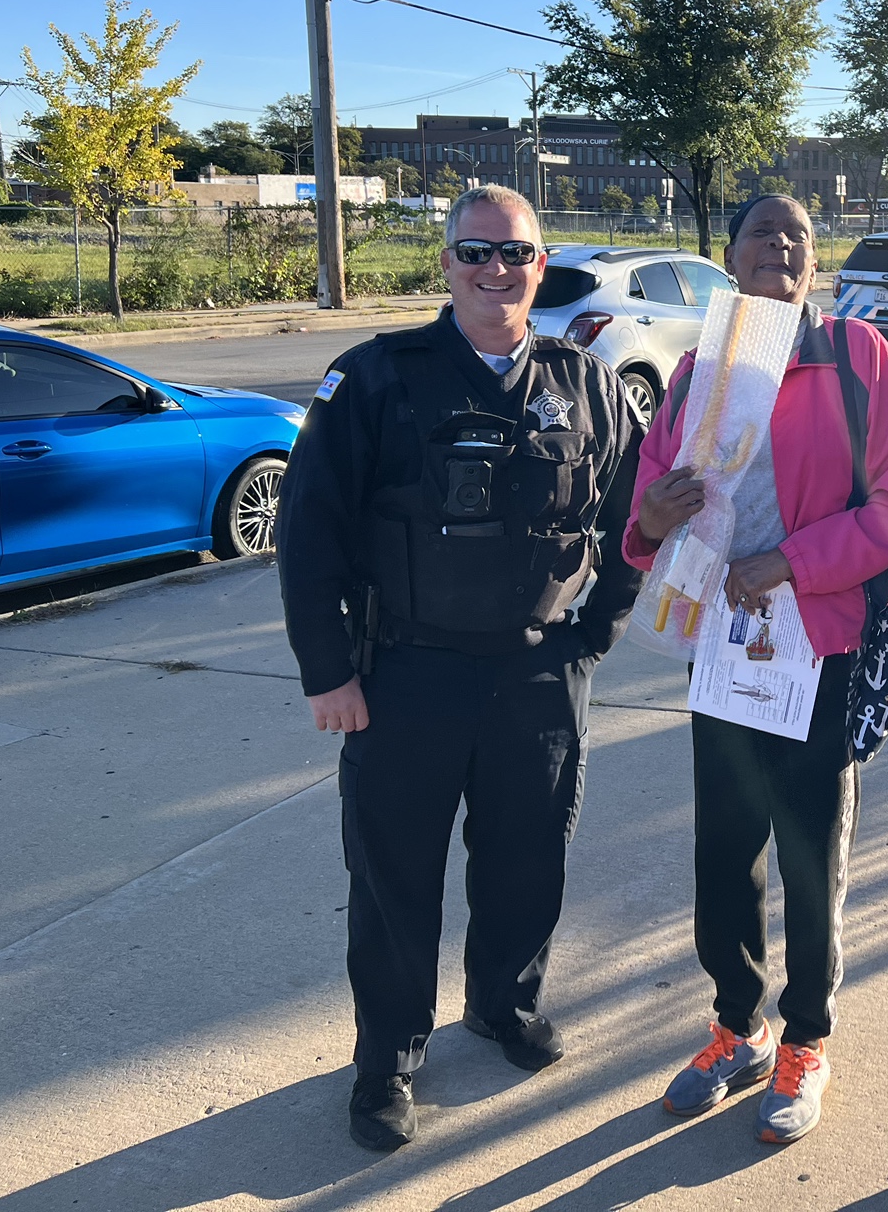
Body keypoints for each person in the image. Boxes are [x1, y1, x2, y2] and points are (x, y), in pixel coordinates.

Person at [275, 185, 645, 1153]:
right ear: (444, 263)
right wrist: (327, 674)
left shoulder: (585, 382)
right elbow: (306, 534)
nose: (495, 272)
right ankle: (388, 1057)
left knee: (529, 862)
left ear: (540, 264)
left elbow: (630, 519)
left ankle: (500, 1004)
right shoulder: (374, 379)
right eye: (474, 253)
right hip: (404, 677)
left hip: (537, 675)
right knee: (395, 880)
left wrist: (594, 631)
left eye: (514, 254)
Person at [623, 194, 888, 1145]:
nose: (781, 246)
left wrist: (792, 562)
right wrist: (656, 519)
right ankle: (735, 1024)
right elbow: (642, 516)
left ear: (814, 264)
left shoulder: (855, 359)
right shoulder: (695, 376)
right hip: (721, 648)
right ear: (730, 257)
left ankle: (807, 1037)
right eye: (763, 232)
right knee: (724, 850)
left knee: (810, 853)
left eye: (798, 237)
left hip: (821, 648)